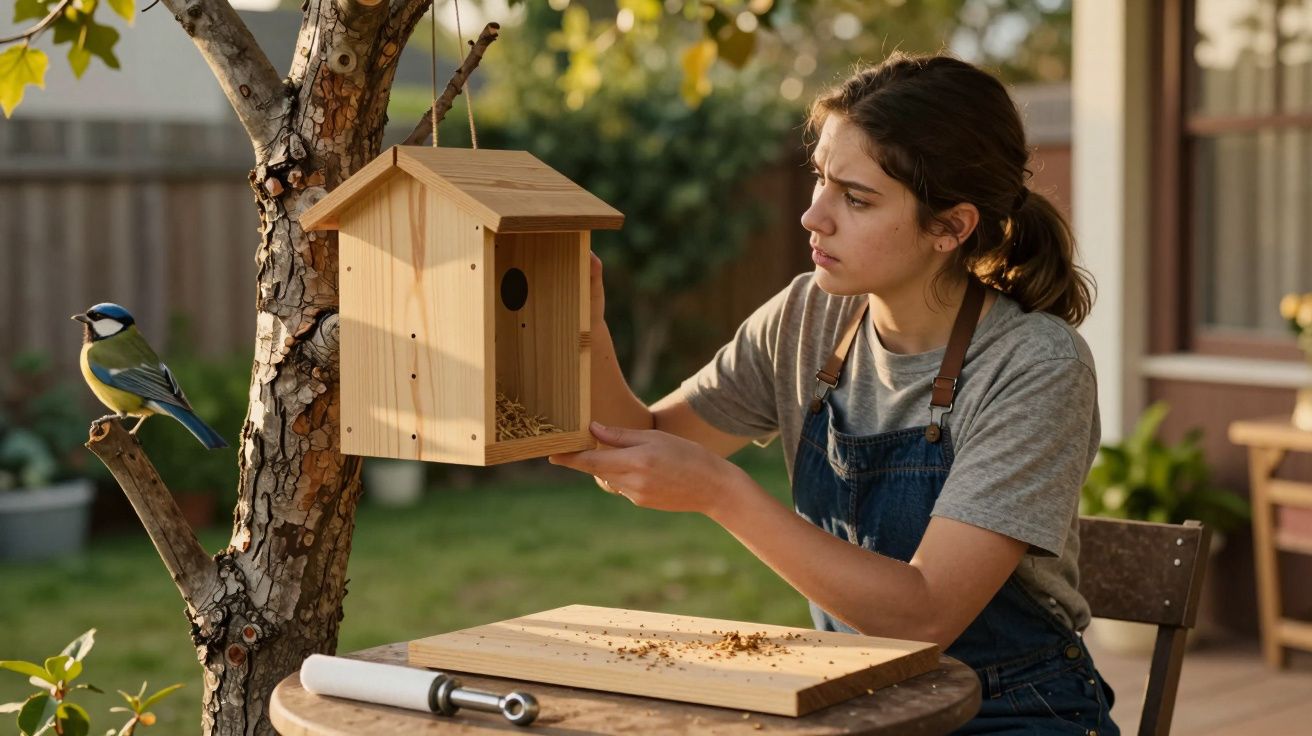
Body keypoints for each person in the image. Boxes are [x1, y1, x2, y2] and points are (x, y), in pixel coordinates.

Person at [549, 51, 1117, 735]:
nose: (813, 217)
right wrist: (582, 325)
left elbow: (925, 613)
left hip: (1016, 714)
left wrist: (723, 493)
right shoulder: (806, 319)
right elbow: (639, 445)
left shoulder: (1035, 367)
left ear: (950, 227)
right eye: (821, 178)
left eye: (856, 198)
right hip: (857, 703)